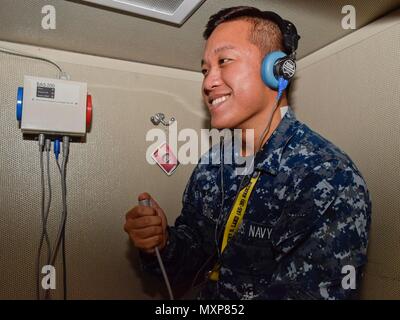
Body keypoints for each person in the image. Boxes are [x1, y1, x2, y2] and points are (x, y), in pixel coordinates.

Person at [124, 6, 371, 300]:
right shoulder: (212, 165)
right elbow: (187, 266)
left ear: (277, 69)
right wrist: (161, 242)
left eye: (224, 61)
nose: (207, 82)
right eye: (205, 70)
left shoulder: (328, 177)